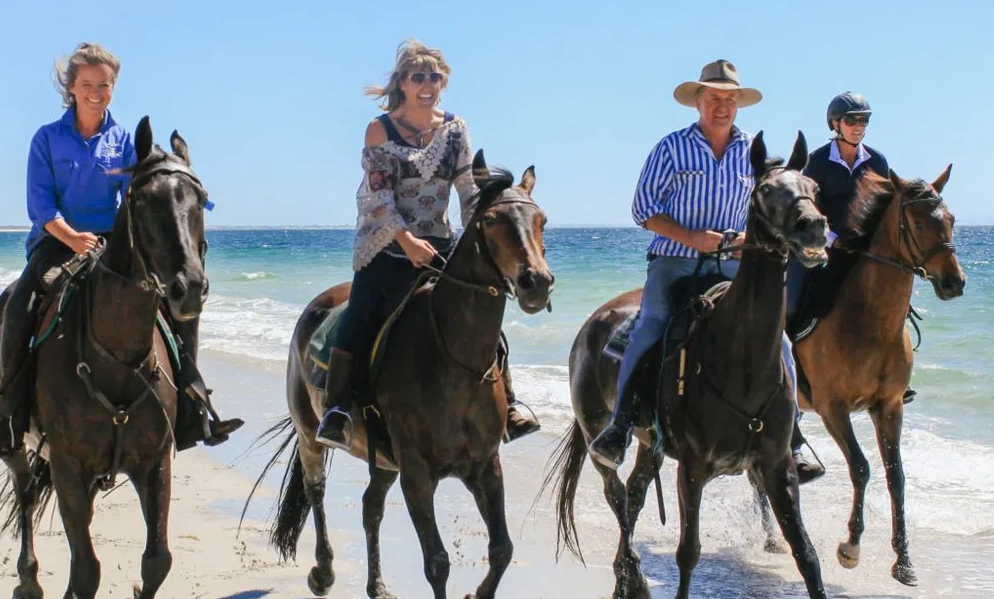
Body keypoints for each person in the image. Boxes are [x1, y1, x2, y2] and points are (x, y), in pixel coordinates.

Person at [0, 43, 240, 457]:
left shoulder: (123, 141)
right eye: (88, 84)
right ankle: (6, 418)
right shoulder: (46, 139)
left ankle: (192, 408)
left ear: (113, 87)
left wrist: (187, 196)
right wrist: (73, 238)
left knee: (177, 308)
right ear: (72, 88)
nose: (97, 92)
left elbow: (147, 190)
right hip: (55, 243)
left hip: (111, 247)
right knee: (18, 304)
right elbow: (41, 205)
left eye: (105, 84)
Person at [586, 59, 819, 480]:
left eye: (730, 100)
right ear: (698, 101)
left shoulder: (754, 155)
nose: (722, 106)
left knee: (778, 340)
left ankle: (794, 438)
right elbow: (643, 209)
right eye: (714, 98)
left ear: (738, 105)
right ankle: (620, 427)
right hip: (675, 263)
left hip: (732, 265)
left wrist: (747, 241)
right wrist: (692, 237)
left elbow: (769, 211)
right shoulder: (671, 147)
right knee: (651, 325)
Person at [314, 41, 538, 449]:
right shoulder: (379, 129)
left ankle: (511, 405)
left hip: (440, 243)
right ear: (401, 82)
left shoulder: (455, 129)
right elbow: (379, 196)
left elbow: (469, 189)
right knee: (360, 315)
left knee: (482, 311)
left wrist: (486, 231)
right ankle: (338, 408)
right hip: (385, 242)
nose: (427, 84)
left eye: (435, 77)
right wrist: (406, 240)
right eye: (418, 76)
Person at [788, 90, 892, 331]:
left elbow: (883, 209)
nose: (858, 127)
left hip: (863, 250)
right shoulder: (817, 161)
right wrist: (832, 240)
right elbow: (807, 209)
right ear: (836, 124)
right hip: (820, 246)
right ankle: (784, 363)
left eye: (863, 120)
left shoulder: (877, 161)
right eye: (851, 120)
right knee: (791, 306)